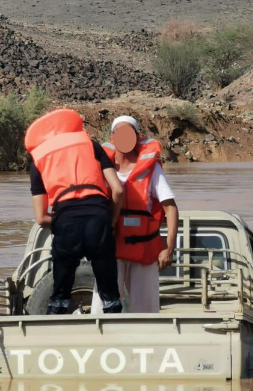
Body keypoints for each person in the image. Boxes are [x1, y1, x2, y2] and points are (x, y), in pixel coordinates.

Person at [25, 108, 124, 315]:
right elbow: (118, 189)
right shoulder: (91, 146)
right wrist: (111, 222)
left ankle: (53, 327)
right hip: (98, 219)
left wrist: (62, 221)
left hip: (65, 222)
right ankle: (114, 328)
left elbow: (41, 218)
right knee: (110, 296)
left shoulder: (39, 159)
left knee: (60, 294)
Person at [91, 115, 179, 314]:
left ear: (138, 138)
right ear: (112, 138)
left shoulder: (152, 169)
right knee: (100, 310)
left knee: (146, 312)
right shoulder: (100, 169)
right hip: (109, 250)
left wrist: (169, 248)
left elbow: (171, 208)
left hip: (144, 251)